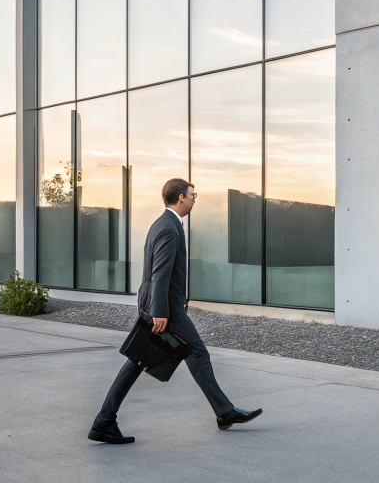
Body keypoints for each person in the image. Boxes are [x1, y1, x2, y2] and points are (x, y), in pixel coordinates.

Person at [88, 178, 262, 443]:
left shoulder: (164, 223)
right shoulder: (169, 227)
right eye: (193, 195)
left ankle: (104, 421)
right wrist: (160, 312)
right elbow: (160, 273)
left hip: (160, 305)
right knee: (196, 351)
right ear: (181, 197)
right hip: (165, 308)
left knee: (140, 359)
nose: (194, 199)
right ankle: (224, 411)